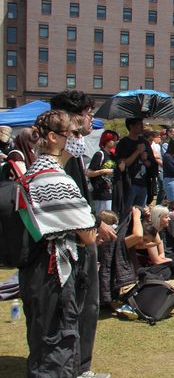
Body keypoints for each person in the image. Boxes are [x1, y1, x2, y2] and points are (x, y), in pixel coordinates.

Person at [19, 110, 100, 377]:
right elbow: (87, 234)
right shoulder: (56, 178)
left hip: (37, 268)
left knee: (43, 338)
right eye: (73, 134)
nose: (78, 140)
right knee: (57, 344)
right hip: (55, 273)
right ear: (53, 137)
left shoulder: (34, 170)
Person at [50, 91, 114, 377]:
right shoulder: (56, 156)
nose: (91, 120)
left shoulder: (73, 152)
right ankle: (76, 368)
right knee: (76, 307)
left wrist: (95, 220)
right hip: (69, 244)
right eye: (89, 114)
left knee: (86, 306)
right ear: (74, 116)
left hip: (83, 236)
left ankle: (80, 366)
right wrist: (90, 226)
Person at [115, 118, 152, 216]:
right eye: (139, 124)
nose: (142, 127)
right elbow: (124, 164)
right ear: (131, 126)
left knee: (140, 214)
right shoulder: (124, 142)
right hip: (130, 183)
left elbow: (150, 164)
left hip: (143, 183)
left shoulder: (144, 142)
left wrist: (144, 159)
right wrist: (137, 152)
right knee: (126, 212)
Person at [87, 130, 119, 214]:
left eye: (116, 140)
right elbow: (89, 173)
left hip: (111, 191)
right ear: (106, 140)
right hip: (100, 191)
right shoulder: (99, 154)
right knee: (102, 217)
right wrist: (103, 171)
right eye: (113, 140)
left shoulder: (113, 156)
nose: (115, 142)